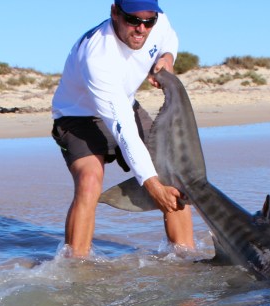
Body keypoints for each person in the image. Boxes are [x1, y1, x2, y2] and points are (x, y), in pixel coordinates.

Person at [51, 0, 194, 258]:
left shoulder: (157, 23)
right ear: (115, 12)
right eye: (133, 20)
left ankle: (185, 257)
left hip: (126, 103)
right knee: (90, 181)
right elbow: (123, 130)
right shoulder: (97, 56)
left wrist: (167, 57)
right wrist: (151, 185)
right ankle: (76, 266)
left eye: (148, 21)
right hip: (77, 116)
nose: (141, 28)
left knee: (172, 172)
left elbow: (169, 37)